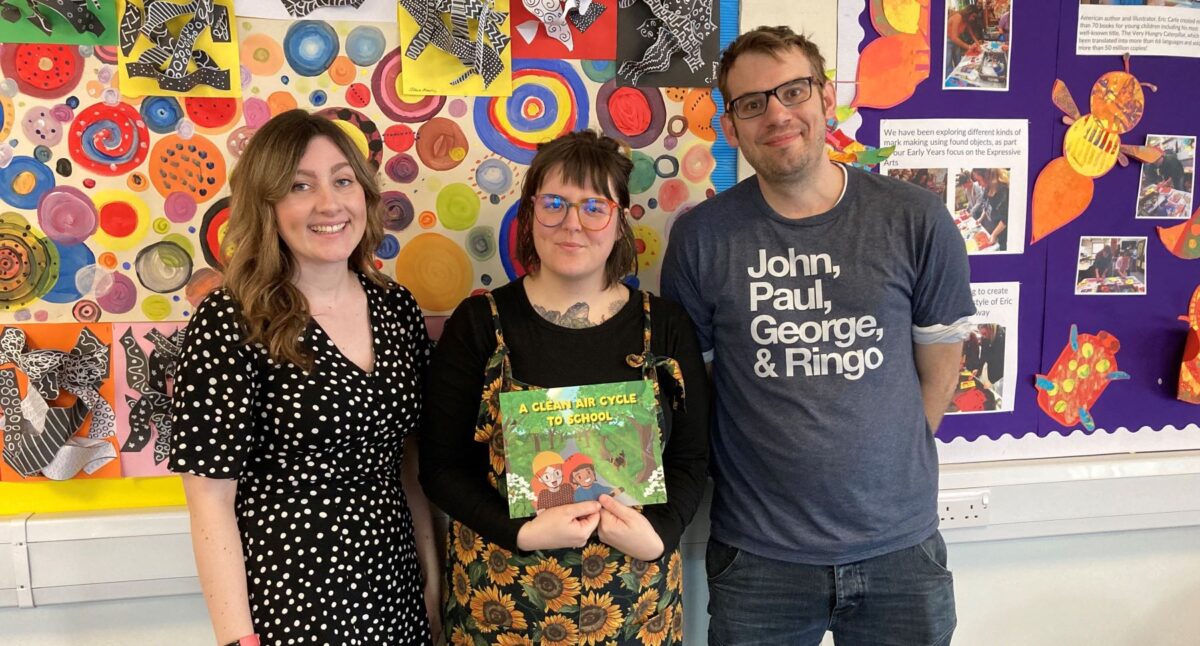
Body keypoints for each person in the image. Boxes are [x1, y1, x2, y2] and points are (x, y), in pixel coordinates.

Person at [661, 26, 973, 645]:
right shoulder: (700, 239)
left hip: (901, 552)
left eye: (793, 90)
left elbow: (940, 367)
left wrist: (880, 460)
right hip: (759, 558)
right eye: (752, 103)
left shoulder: (916, 219)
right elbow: (690, 389)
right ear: (732, 128)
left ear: (826, 99)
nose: (776, 113)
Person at [421, 130, 709, 645]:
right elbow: (440, 468)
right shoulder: (481, 323)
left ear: (620, 219)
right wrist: (524, 532)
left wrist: (658, 536)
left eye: (593, 206)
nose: (572, 224)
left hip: (635, 608)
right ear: (530, 215)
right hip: (500, 609)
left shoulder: (662, 325)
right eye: (554, 203)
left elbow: (691, 458)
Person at [170, 110, 439, 646]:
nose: (329, 204)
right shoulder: (232, 320)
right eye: (299, 186)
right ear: (266, 205)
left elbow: (411, 461)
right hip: (292, 603)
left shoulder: (395, 308)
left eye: (343, 180)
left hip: (395, 587)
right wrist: (236, 639)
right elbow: (209, 498)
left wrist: (431, 581)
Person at [946, 5, 983, 76]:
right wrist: (969, 47)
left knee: (959, 62)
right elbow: (954, 37)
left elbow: (972, 34)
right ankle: (948, 82)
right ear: (968, 13)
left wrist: (978, 45)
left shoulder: (966, 20)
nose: (973, 19)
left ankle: (959, 77)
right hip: (947, 41)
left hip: (956, 41)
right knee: (948, 64)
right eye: (973, 16)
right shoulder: (958, 17)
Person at [979, 168, 1009, 250]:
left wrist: (994, 234)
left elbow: (1005, 219)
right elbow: (986, 206)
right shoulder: (987, 188)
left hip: (1000, 235)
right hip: (991, 229)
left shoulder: (1003, 191)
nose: (979, 184)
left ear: (987, 179)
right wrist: (981, 218)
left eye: (979, 181)